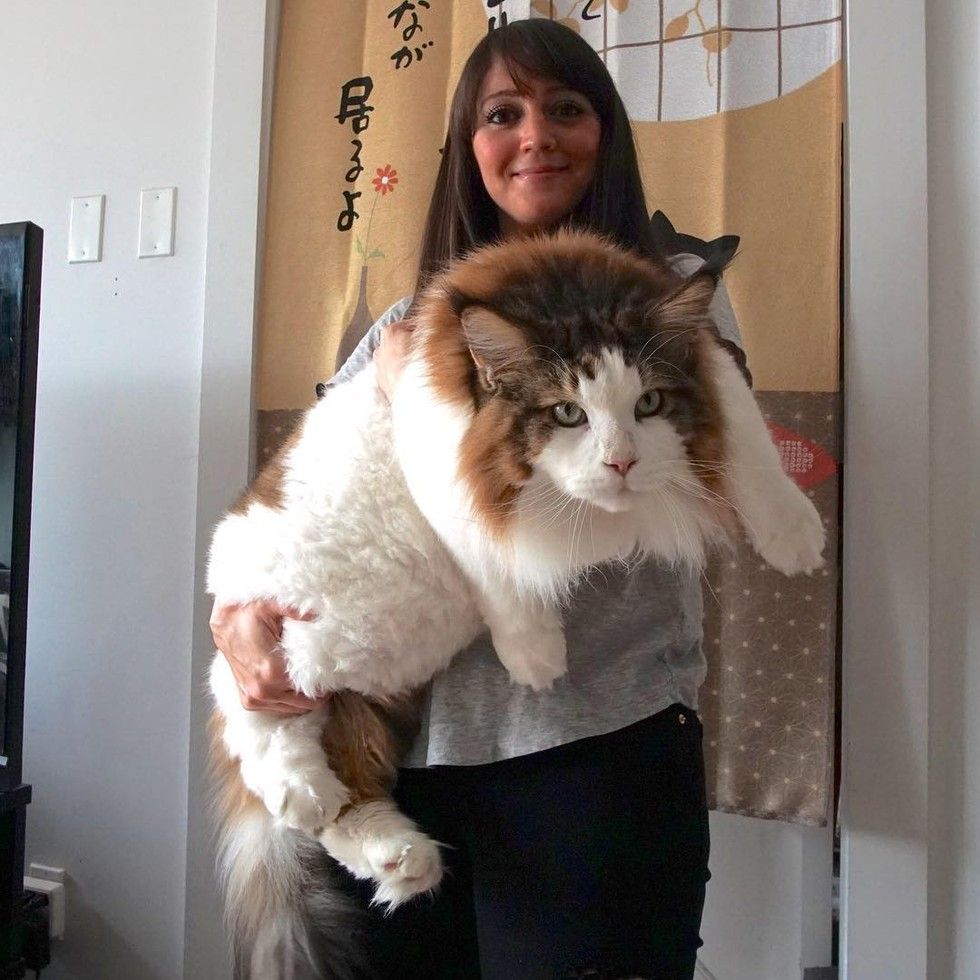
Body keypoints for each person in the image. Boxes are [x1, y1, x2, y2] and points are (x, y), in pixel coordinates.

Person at [211, 18, 744, 980]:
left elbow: (694, 483)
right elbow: (292, 495)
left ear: (608, 135)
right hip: (402, 766)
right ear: (470, 153)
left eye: (565, 109)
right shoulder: (401, 327)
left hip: (591, 755)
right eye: (503, 114)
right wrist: (236, 621)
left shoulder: (669, 295)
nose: (535, 134)